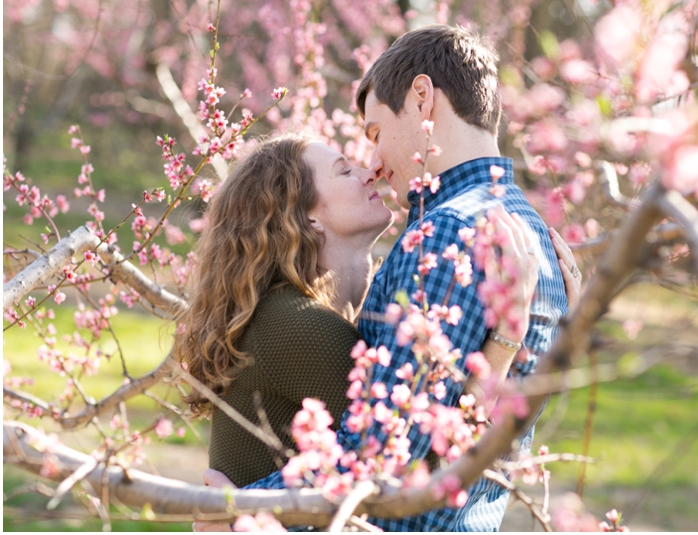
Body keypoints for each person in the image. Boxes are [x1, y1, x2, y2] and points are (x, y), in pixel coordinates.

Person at [232, 24, 576, 531]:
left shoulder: (449, 234)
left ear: (421, 99)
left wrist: (234, 512)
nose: (374, 160)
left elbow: (386, 456)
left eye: (375, 132)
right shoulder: (532, 231)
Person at [173, 133, 578, 492]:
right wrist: (510, 337)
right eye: (344, 171)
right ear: (308, 214)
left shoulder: (332, 313)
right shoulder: (294, 324)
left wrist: (560, 326)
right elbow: (421, 457)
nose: (369, 173)